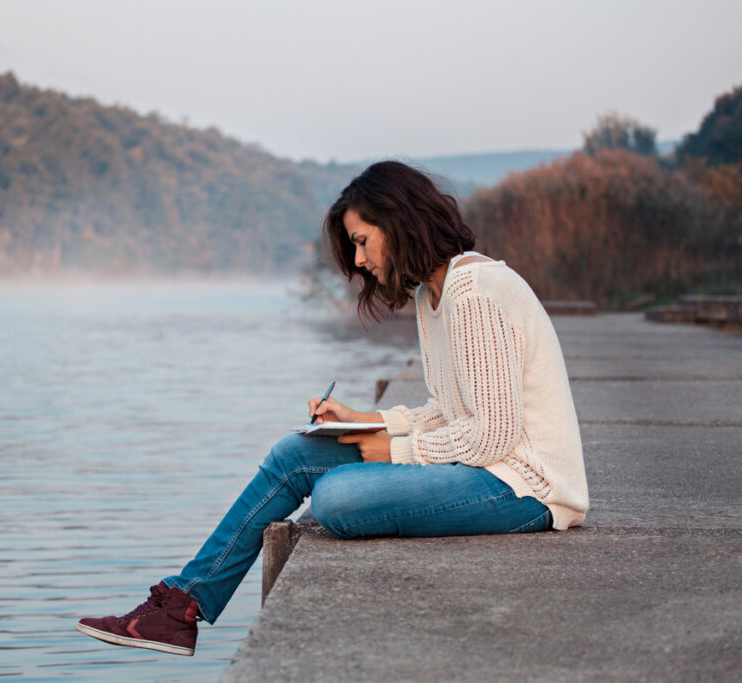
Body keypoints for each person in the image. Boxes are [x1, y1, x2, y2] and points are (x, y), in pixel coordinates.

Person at [75, 160, 589, 657]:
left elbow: (493, 435)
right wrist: (366, 420)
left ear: (399, 222)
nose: (360, 260)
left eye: (362, 241)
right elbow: (451, 411)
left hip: (526, 487)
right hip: (487, 472)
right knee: (295, 452)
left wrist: (391, 449)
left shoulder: (473, 291)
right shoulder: (434, 293)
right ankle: (182, 605)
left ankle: (183, 605)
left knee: (337, 498)